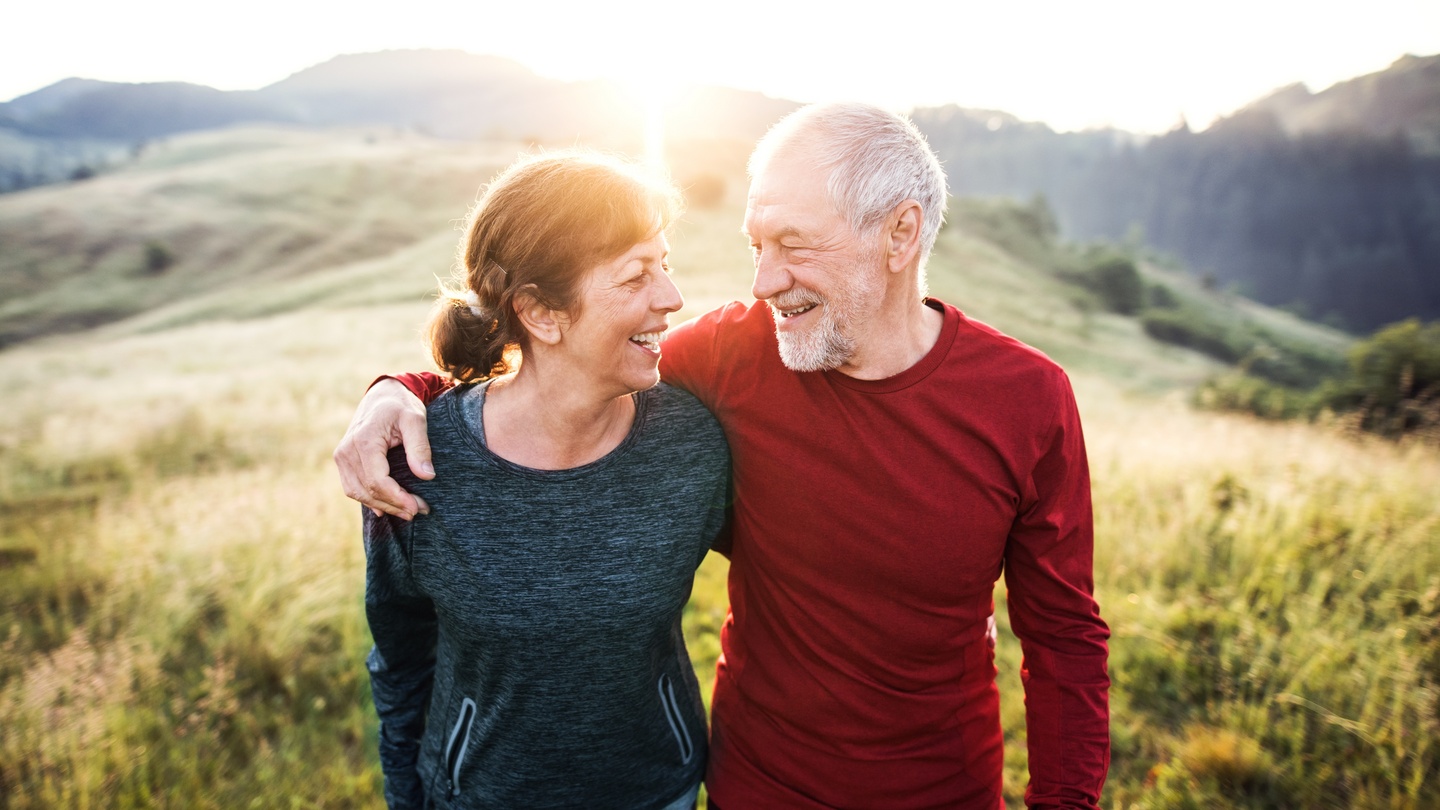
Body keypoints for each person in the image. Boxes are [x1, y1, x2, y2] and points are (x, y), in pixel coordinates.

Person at [337, 103, 1110, 809]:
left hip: (945, 789)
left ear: (901, 234)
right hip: (756, 785)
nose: (765, 281)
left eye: (795, 247)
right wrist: (397, 390)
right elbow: (561, 365)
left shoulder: (1028, 400)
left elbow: (1065, 638)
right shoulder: (736, 355)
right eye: (757, 246)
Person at [358, 151, 730, 810]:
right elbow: (402, 657)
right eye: (635, 275)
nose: (671, 298)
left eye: (664, 265)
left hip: (657, 793)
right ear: (540, 313)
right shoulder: (418, 463)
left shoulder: (692, 445)